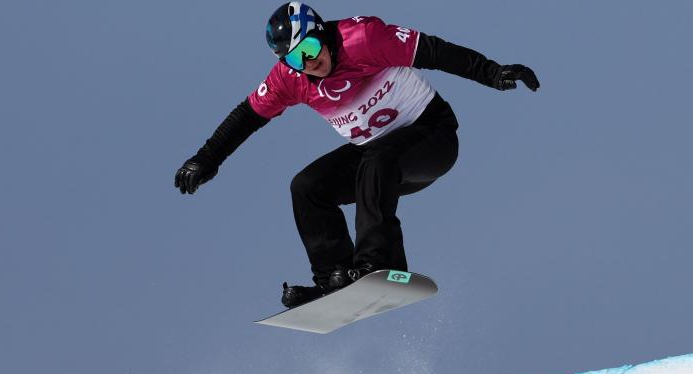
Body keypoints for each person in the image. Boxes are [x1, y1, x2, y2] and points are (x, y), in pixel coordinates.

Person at [174, 2, 539, 309]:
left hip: (433, 140)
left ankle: (379, 265)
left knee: (378, 160)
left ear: (322, 33)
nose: (309, 62)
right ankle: (333, 279)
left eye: (310, 48)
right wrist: (207, 159)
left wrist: (492, 73)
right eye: (296, 58)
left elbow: (434, 51)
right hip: (376, 162)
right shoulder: (290, 78)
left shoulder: (363, 38)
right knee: (307, 187)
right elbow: (247, 116)